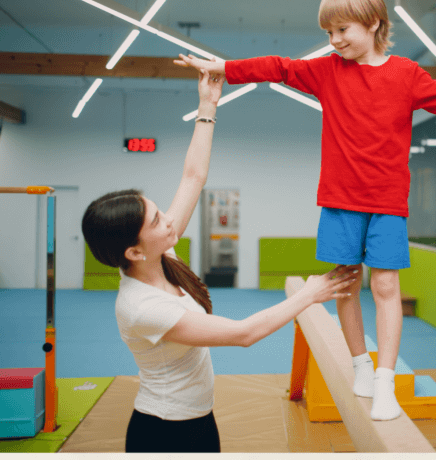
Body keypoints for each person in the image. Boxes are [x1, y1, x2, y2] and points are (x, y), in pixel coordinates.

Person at [174, 0, 436, 421]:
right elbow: (279, 67)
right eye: (328, 32)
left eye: (342, 30)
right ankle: (360, 365)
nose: (334, 40)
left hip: (388, 203)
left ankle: (385, 379)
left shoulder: (407, 75)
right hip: (340, 200)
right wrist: (226, 67)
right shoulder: (328, 71)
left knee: (386, 285)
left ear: (372, 23)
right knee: (345, 285)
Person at [81, 69, 359, 452]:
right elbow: (242, 335)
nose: (170, 221)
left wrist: (207, 106)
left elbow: (193, 177)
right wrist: (309, 295)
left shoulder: (160, 256)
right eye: (158, 220)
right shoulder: (142, 306)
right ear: (133, 251)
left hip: (197, 419)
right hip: (164, 432)